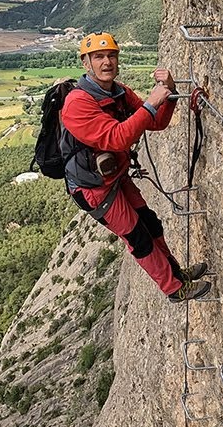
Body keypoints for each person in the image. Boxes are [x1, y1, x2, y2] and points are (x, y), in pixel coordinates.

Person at [60, 32, 212, 302]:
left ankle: (177, 275)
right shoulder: (77, 104)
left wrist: (171, 93)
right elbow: (116, 138)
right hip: (93, 189)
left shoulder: (118, 92)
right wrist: (153, 102)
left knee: (151, 224)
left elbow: (154, 122)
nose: (107, 62)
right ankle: (174, 289)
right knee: (137, 237)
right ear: (86, 63)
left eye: (111, 56)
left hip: (115, 177)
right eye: (98, 57)